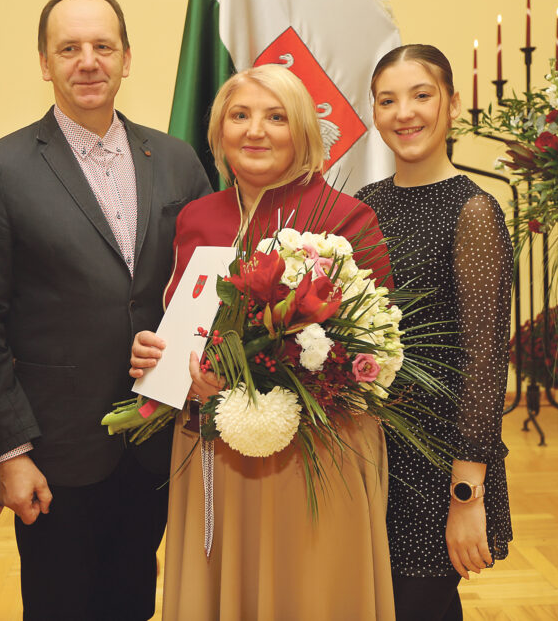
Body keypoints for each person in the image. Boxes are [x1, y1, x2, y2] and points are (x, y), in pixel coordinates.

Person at [0, 0, 212, 620]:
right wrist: (9, 452)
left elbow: (207, 286)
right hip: (56, 450)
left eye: (103, 46)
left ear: (127, 58)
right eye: (69, 48)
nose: (88, 61)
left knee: (133, 602)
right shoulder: (1, 168)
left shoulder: (177, 159)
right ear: (44, 63)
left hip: (158, 440)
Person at [130, 64, 397, 621]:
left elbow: (369, 354)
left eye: (276, 117)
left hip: (315, 458)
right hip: (211, 449)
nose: (255, 130)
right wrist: (159, 358)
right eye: (240, 115)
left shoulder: (348, 218)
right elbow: (180, 321)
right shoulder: (196, 218)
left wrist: (258, 379)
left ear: (303, 132)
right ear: (218, 131)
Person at [356, 43, 514, 621]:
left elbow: (484, 361)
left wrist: (466, 494)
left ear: (452, 103)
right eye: (387, 100)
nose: (405, 113)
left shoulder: (473, 211)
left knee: (417, 605)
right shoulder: (365, 206)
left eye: (421, 96)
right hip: (371, 454)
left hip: (438, 463)